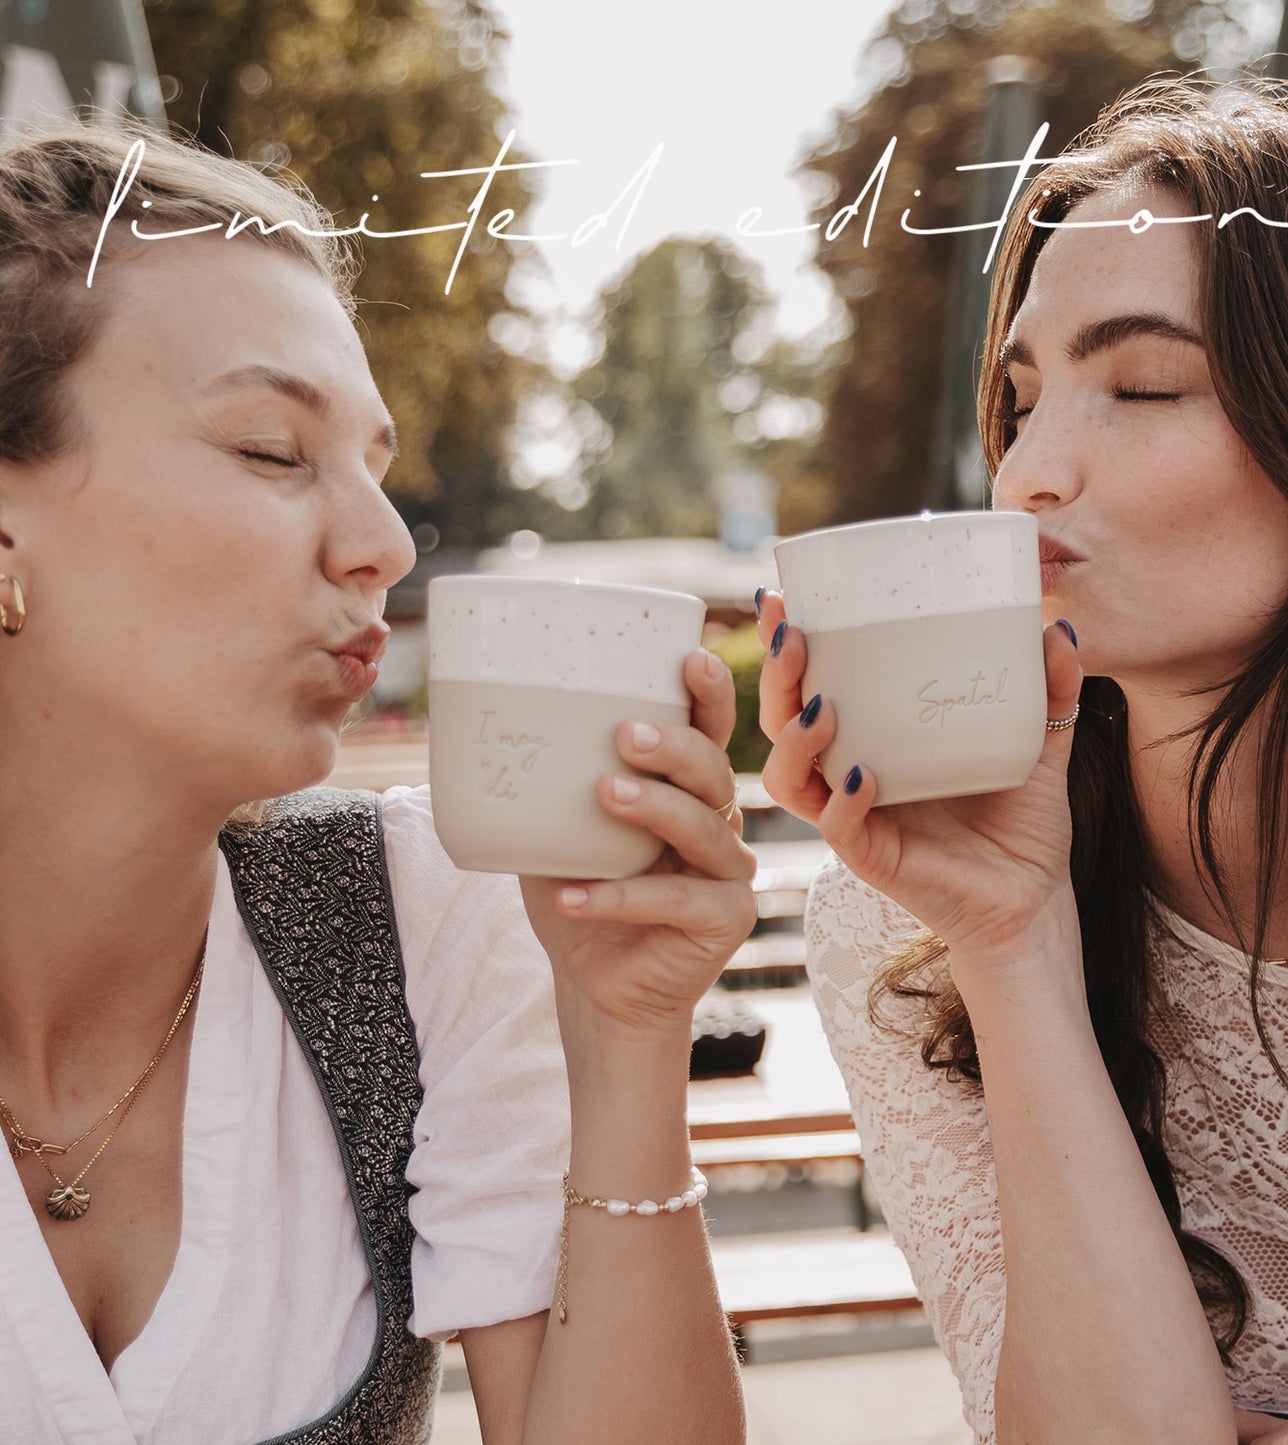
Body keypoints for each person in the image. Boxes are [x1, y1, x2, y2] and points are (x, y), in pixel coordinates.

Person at [0, 122, 753, 1444]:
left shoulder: (416, 913)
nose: (385, 544)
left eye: (377, 467)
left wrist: (625, 1040)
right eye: (273, 452)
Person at [758, 77, 1288, 1445]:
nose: (1024, 475)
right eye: (1018, 398)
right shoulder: (911, 922)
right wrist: (1011, 937)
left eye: (1139, 383)